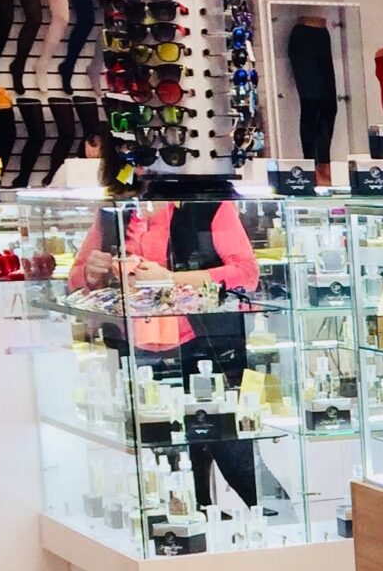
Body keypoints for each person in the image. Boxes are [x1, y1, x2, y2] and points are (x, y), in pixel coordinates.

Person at [72, 185, 266, 512]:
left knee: (236, 456)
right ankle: (196, 532)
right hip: (138, 356)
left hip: (206, 350)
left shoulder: (207, 204)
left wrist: (172, 279)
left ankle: (282, 533)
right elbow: (76, 279)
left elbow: (247, 275)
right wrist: (92, 273)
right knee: (171, 471)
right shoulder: (112, 214)